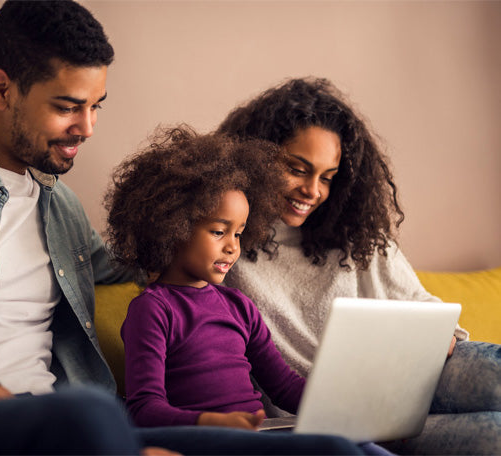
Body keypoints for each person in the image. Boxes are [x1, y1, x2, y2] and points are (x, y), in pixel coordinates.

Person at [0, 2, 365, 454]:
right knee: (94, 411)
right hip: (3, 415)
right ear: (1, 89)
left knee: (333, 449)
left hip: (79, 416)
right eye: (68, 107)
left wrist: (219, 237)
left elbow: (142, 259)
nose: (88, 127)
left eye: (96, 106)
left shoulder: (58, 206)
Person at [217, 77, 501, 454]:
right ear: (257, 157)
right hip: (319, 424)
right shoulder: (225, 241)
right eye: (298, 169)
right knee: (495, 433)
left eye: (327, 178)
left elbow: (423, 306)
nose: (313, 191)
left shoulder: (355, 236)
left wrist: (437, 334)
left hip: (406, 386)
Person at [104, 126, 390, 456]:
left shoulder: (237, 305)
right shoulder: (153, 309)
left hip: (257, 435)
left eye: (239, 233)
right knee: (335, 449)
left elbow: (283, 385)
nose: (232, 247)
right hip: (200, 438)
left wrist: (337, 406)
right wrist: (209, 422)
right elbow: (144, 410)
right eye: (218, 231)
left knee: (359, 443)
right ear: (172, 227)